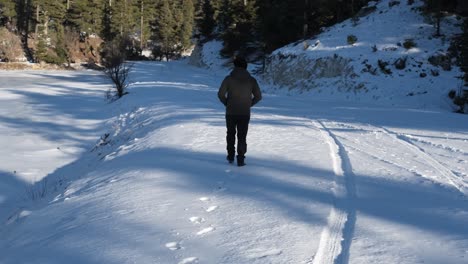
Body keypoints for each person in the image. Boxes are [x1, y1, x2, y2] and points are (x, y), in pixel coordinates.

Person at [218, 56, 262, 166]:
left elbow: (220, 94)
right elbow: (258, 96)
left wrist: (227, 103)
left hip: (231, 112)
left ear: (235, 66)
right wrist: (249, 104)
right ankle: (241, 158)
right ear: (246, 67)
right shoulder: (251, 80)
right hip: (244, 112)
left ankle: (230, 156)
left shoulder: (228, 79)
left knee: (230, 133)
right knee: (242, 135)